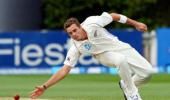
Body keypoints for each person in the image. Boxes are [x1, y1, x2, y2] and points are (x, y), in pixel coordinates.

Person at [30, 12, 154, 100]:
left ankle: (125, 84)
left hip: (119, 45)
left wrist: (136, 24)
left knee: (147, 73)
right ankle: (132, 94)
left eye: (75, 30)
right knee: (120, 60)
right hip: (103, 55)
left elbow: (114, 16)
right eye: (70, 33)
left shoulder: (92, 22)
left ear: (80, 26)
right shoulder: (75, 47)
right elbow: (64, 70)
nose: (73, 34)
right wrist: (45, 86)